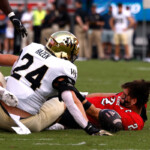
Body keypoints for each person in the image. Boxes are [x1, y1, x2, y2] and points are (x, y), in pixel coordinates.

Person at [0, 31, 110, 136]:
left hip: (1, 111)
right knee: (61, 101)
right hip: (22, 123)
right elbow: (69, 99)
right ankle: (54, 125)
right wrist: (89, 127)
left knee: (5, 78)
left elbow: (7, 59)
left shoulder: (32, 48)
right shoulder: (63, 67)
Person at [53, 80, 149, 132]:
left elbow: (96, 114)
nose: (121, 96)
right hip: (81, 101)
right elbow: (107, 95)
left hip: (82, 113)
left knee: (49, 111)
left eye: (124, 95)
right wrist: (83, 96)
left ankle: (56, 124)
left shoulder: (132, 119)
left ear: (134, 101)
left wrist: (78, 100)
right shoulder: (134, 101)